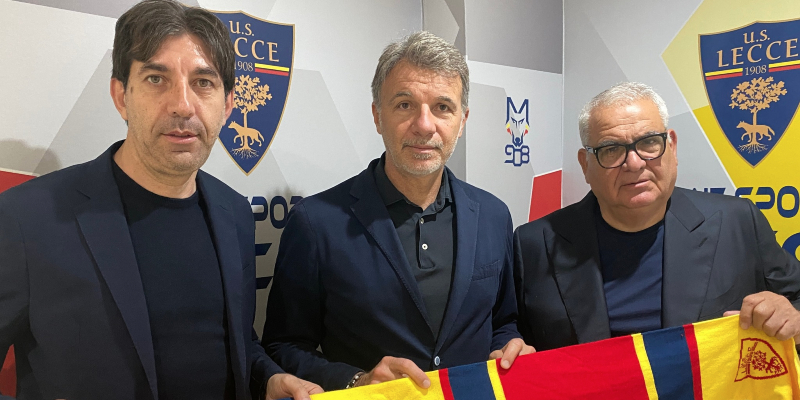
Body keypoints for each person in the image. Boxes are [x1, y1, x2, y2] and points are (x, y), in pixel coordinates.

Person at [0, 1, 321, 399]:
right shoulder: (26, 219)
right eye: (156, 78)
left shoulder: (235, 213)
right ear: (121, 95)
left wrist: (267, 378)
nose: (182, 105)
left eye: (203, 82)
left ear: (227, 105)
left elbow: (235, 344)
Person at [262, 31, 533, 391]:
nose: (425, 125)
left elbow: (503, 322)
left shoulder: (494, 216)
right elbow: (283, 346)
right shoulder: (316, 223)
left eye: (443, 107)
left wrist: (510, 344)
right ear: (377, 116)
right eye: (405, 105)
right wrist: (356, 380)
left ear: (462, 120)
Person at [513, 81, 800, 351]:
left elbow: (796, 299)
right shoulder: (534, 244)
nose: (634, 163)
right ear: (585, 164)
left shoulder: (738, 221)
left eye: (649, 142)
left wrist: (792, 318)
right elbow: (510, 331)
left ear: (671, 147)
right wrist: (511, 346)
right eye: (611, 149)